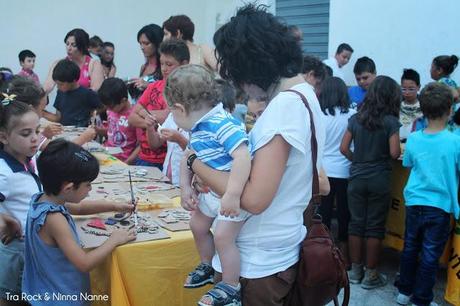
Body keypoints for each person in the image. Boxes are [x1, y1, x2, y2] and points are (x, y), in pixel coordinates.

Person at [185, 5, 325, 305]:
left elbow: (254, 200)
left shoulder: (284, 107)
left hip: (257, 263)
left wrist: (195, 164)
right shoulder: (305, 93)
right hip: (274, 249)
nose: (239, 87)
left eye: (238, 76)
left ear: (253, 66)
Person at [165, 65, 251, 305]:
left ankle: (230, 286)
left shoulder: (223, 123)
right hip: (210, 193)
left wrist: (233, 194)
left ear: (180, 109)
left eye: (172, 113)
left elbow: (243, 157)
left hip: (229, 194)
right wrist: (186, 187)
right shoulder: (200, 126)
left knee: (223, 237)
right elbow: (189, 157)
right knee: (197, 224)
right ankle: (206, 264)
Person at [22, 139, 136, 305]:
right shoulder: (55, 219)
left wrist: (115, 205)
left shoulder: (44, 199)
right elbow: (84, 263)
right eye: (88, 185)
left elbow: (80, 208)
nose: (90, 189)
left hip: (44, 288)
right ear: (68, 188)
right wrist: (114, 240)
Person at [395, 82, 459, 306]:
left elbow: (408, 163)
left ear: (423, 110)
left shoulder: (414, 138)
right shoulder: (455, 141)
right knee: (431, 255)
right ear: (450, 110)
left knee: (410, 247)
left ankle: (404, 291)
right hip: (440, 206)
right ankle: (421, 299)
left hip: (414, 202)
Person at [340, 76, 401, 289]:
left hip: (356, 178)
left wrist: (357, 160)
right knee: (374, 227)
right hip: (379, 178)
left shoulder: (356, 119)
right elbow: (394, 153)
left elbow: (343, 148)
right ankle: (371, 275)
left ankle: (355, 272)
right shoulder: (391, 121)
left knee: (356, 223)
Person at [0, 96, 41, 306]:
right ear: (4, 137)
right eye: (26, 134)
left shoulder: (29, 158)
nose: (35, 138)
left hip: (32, 248)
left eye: (37, 131)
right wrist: (5, 219)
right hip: (15, 250)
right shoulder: (4, 172)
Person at [128, 39, 188, 168]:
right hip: (144, 155)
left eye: (169, 64)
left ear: (184, 64)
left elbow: (167, 116)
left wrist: (143, 112)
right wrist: (151, 122)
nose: (164, 69)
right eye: (162, 64)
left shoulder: (185, 92)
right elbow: (132, 117)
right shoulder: (154, 86)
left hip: (168, 158)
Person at [318, 77, 356, 267]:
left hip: (323, 172)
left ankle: (323, 253)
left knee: (323, 214)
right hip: (345, 170)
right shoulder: (352, 114)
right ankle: (344, 256)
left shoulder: (319, 115)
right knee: (344, 215)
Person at [8, 77, 96, 150]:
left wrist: (44, 135)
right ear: (30, 110)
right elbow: (57, 151)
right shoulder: (22, 130)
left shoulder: (11, 123)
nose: (42, 115)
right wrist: (84, 137)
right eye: (42, 109)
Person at [43, 28, 104, 94]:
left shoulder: (94, 64)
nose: (69, 48)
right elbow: (48, 86)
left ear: (83, 46)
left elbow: (95, 89)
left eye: (73, 45)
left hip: (86, 102)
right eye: (67, 44)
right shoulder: (58, 63)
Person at [43, 59, 101, 127]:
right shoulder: (60, 93)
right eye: (57, 84)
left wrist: (92, 115)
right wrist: (42, 112)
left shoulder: (86, 94)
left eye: (61, 84)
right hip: (65, 131)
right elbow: (58, 118)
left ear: (73, 81)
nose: (58, 87)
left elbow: (102, 106)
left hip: (81, 132)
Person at [98, 78, 140, 164]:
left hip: (123, 160)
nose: (108, 109)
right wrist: (98, 130)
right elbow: (112, 132)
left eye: (111, 106)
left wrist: (127, 162)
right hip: (107, 156)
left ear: (123, 101)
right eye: (107, 107)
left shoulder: (135, 115)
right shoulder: (111, 111)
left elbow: (141, 145)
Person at [128, 24, 164, 98]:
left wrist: (148, 85)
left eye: (146, 43)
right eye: (140, 43)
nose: (142, 47)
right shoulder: (144, 67)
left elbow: (169, 92)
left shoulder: (164, 67)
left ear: (157, 43)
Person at [400, 69, 422, 141]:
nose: (407, 92)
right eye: (404, 89)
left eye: (411, 89)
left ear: (418, 87)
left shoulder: (424, 106)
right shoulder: (396, 105)